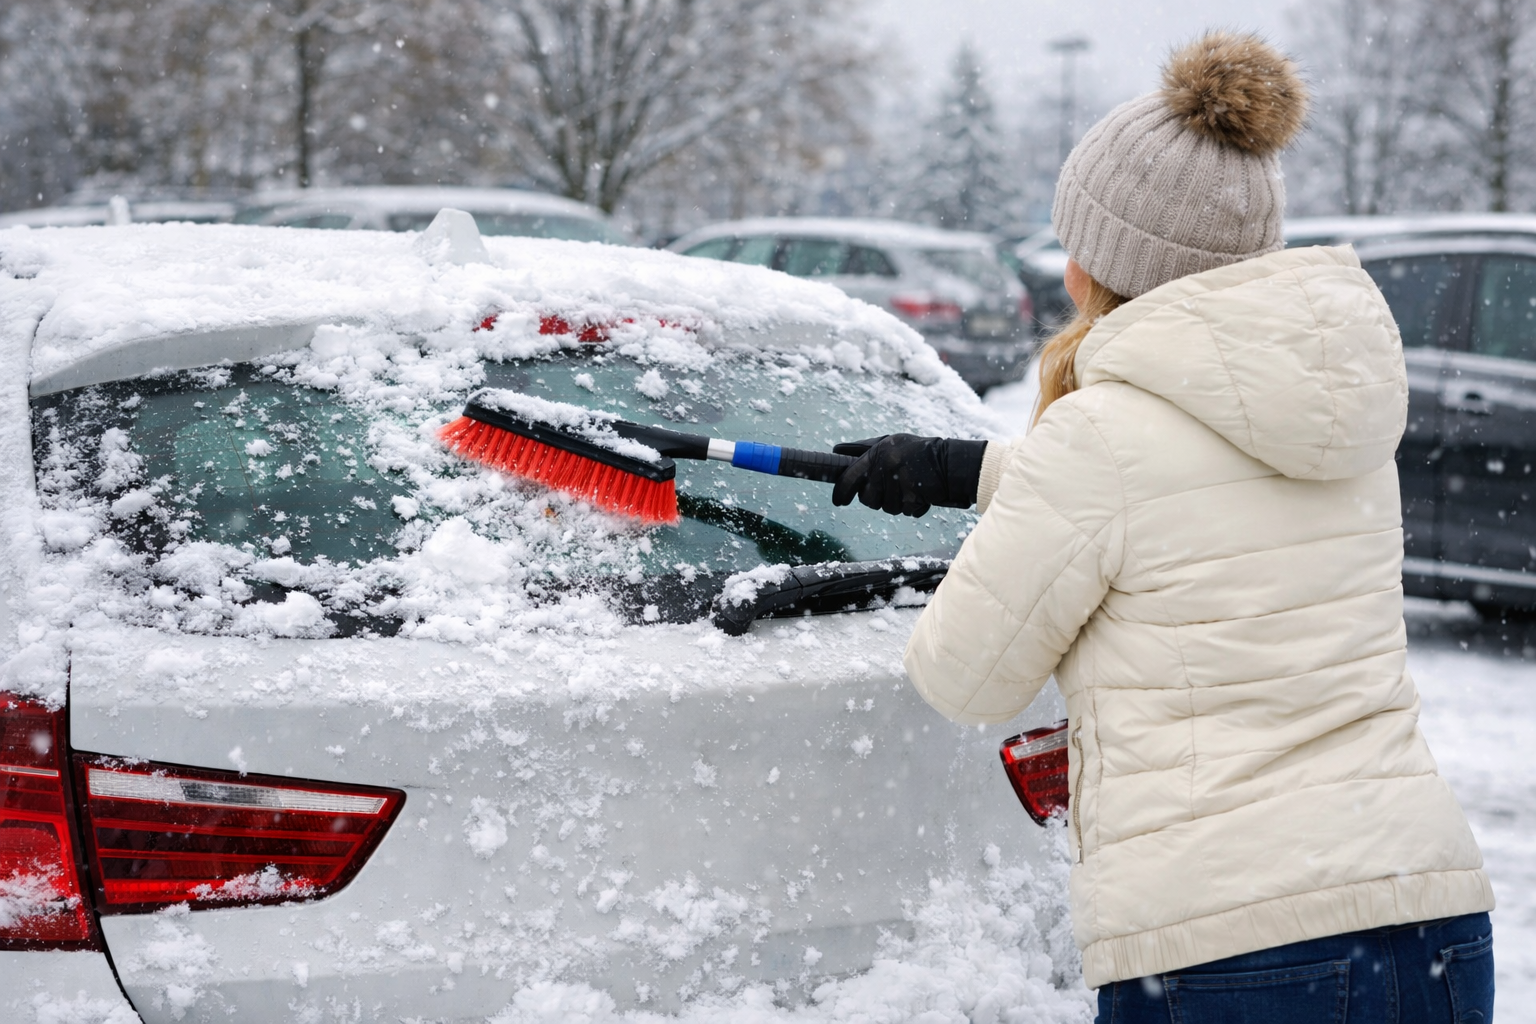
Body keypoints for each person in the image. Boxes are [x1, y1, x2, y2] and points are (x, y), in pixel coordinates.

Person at [832, 30, 1495, 1024]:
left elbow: (964, 675)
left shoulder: (1098, 437)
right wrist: (974, 471)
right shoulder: (1339, 422)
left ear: (1097, 266)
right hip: (1430, 925)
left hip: (1234, 951)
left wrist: (1019, 521)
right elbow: (1200, 506)